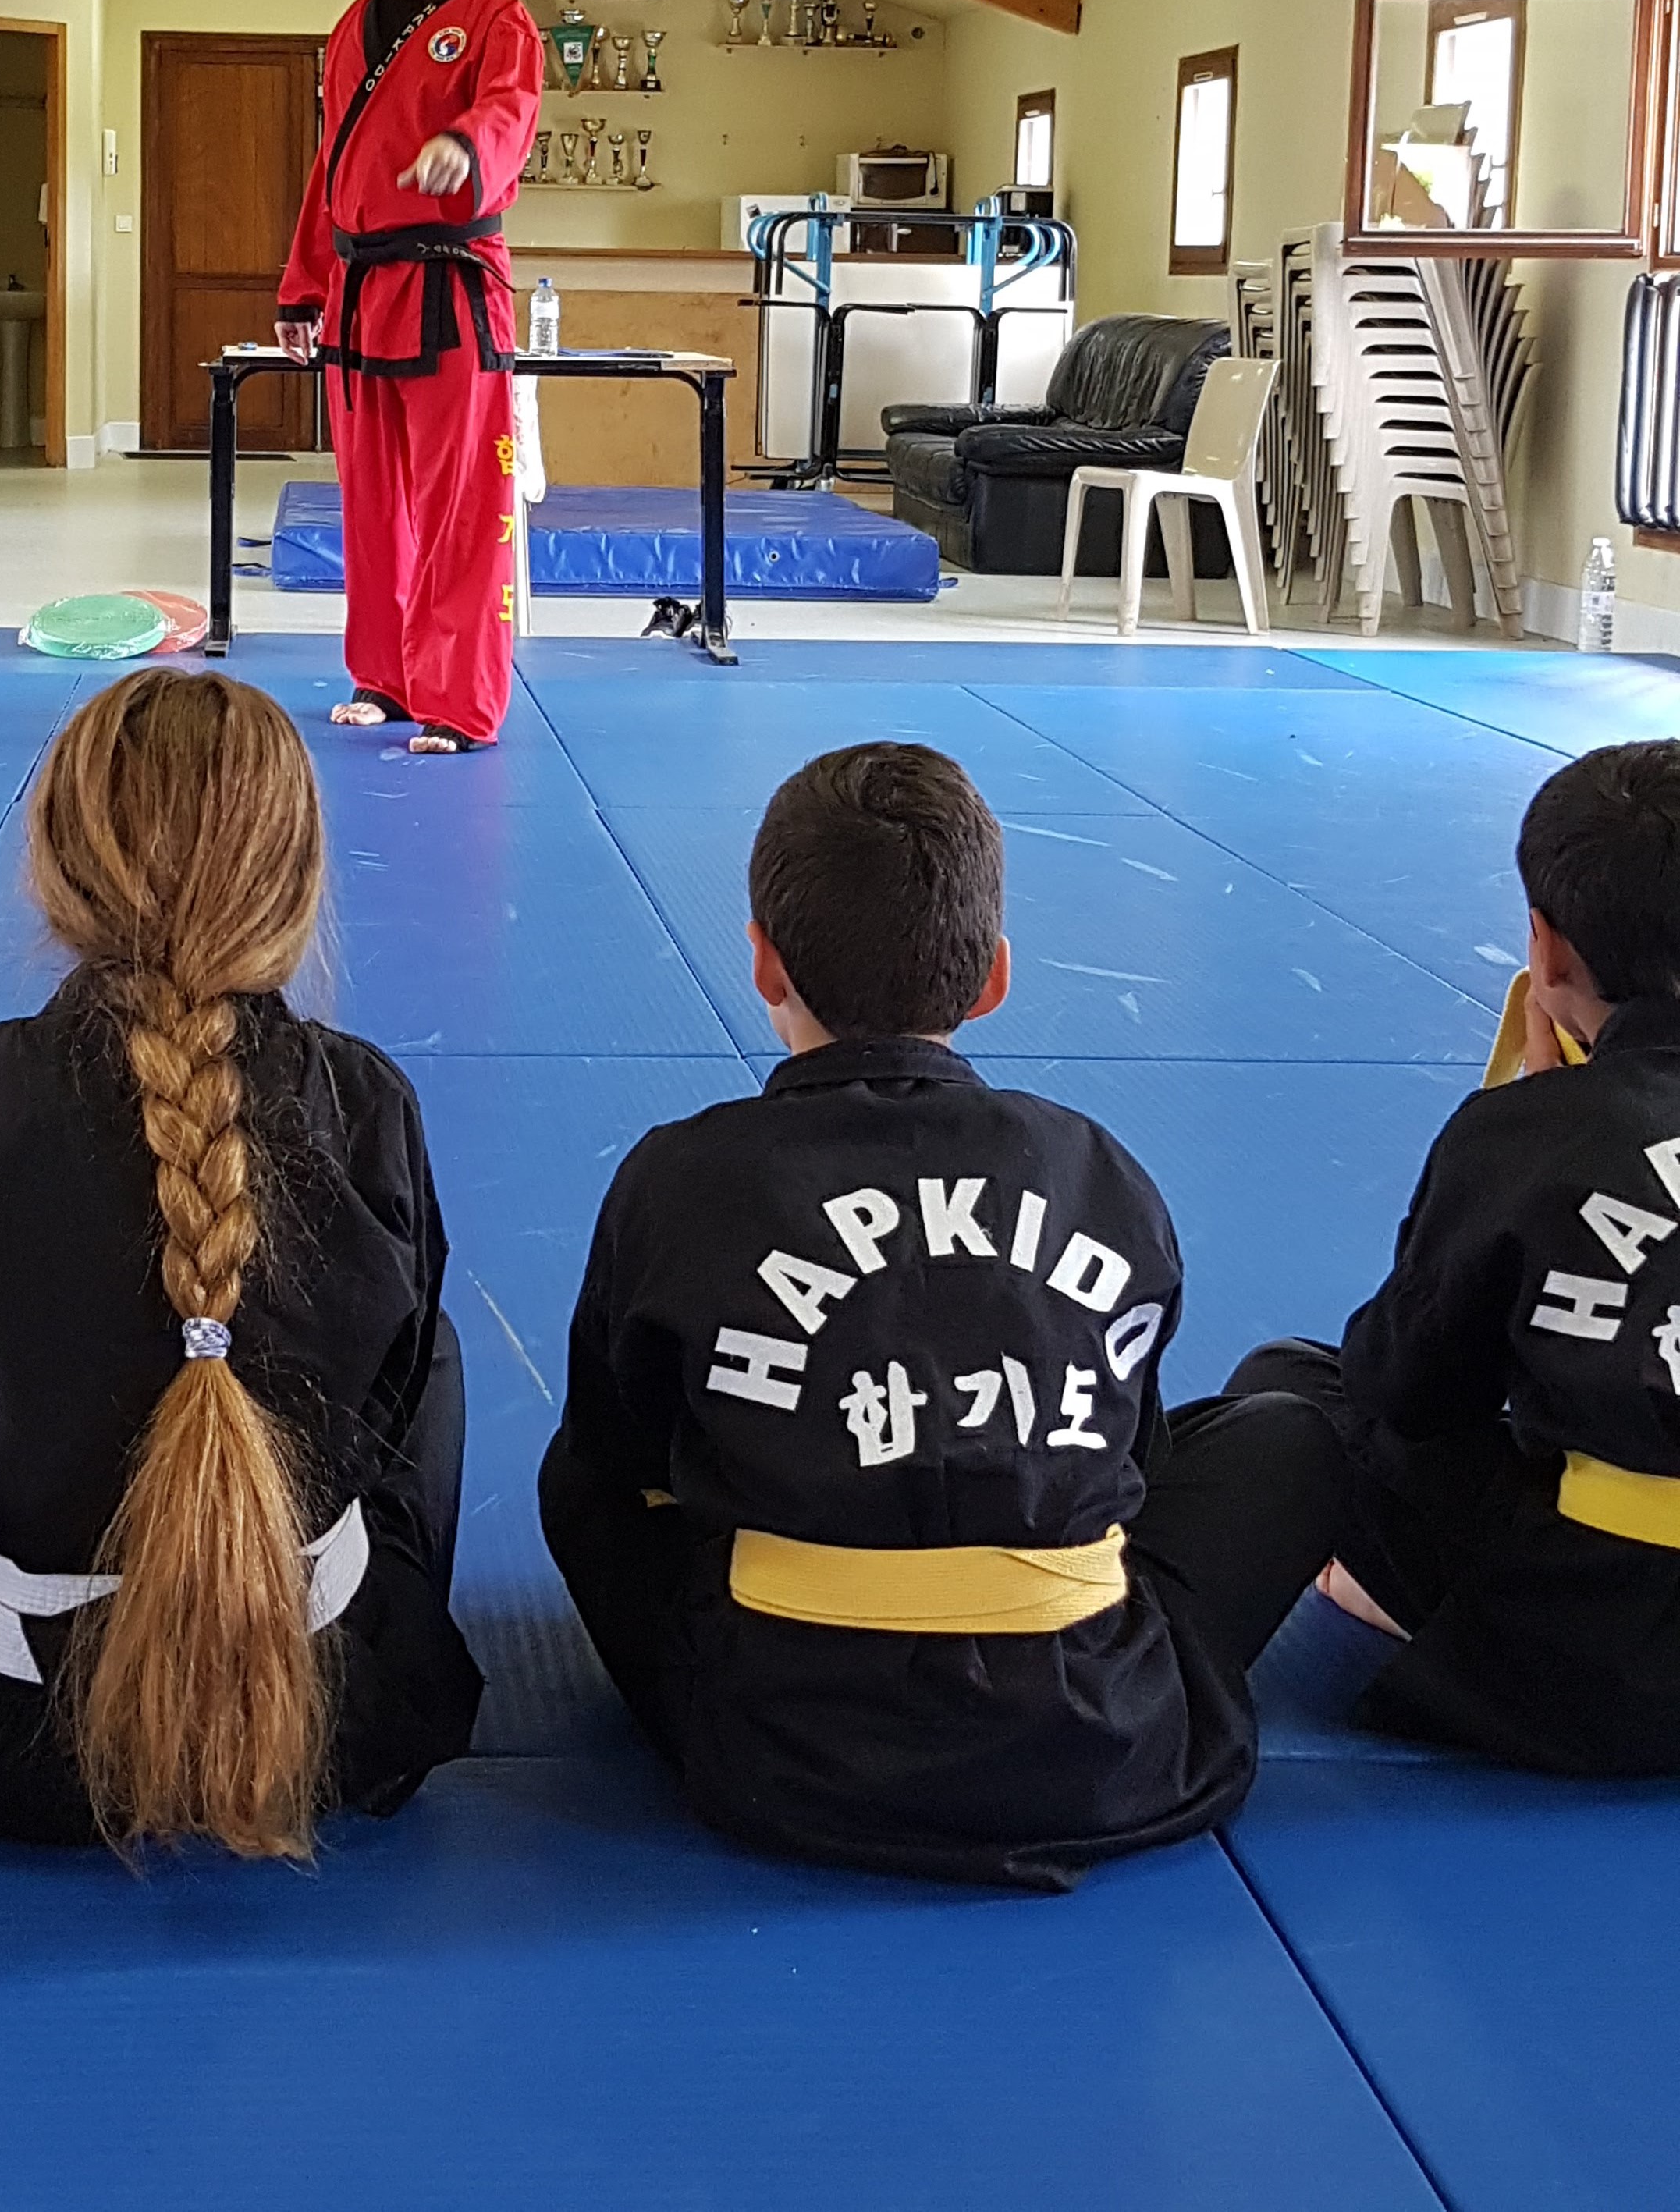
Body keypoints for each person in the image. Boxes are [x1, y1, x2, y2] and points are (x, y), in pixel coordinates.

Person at [540, 744, 1350, 1889]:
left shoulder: (682, 1176)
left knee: (578, 1482)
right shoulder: (1096, 1167)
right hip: (1099, 1741)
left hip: (783, 1751)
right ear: (994, 977)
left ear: (764, 963)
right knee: (1292, 1433)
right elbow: (1131, 1459)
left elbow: (616, 1450)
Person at [0, 671, 483, 1857]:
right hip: (325, 1719)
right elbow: (383, 1427)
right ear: (293, 876)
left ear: (57, 870)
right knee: (431, 1359)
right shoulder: (364, 1101)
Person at [1247, 740, 1680, 1773]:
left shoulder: (1531, 1135)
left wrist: (1528, 1127)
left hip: (1585, 1669)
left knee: (1292, 1391)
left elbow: (1405, 1389)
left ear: (1547, 951)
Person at [274, 0, 543, 756]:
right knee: (371, 505)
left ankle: (460, 703)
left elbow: (509, 111)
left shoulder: (500, 19)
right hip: (359, 289)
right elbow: (333, 167)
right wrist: (303, 288)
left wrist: (465, 148)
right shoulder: (353, 25)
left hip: (451, 287)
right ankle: (385, 680)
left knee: (461, 506)